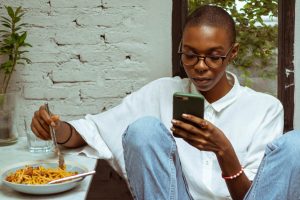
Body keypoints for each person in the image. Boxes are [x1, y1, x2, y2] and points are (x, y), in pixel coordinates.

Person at [30, 5, 300, 200]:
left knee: (296, 144)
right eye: (190, 55)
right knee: (143, 129)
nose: (200, 67)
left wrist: (223, 151)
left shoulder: (264, 108)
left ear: (233, 53)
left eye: (214, 56)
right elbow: (96, 130)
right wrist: (56, 128)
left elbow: (258, 194)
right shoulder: (161, 92)